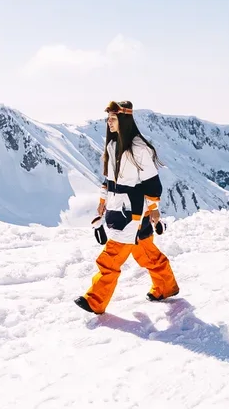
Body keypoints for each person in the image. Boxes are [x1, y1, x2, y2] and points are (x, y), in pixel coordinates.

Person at [74, 100, 180, 314]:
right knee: (145, 252)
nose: (109, 123)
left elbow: (151, 182)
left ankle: (95, 300)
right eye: (108, 119)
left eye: (113, 119)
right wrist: (102, 202)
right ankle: (165, 286)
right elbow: (108, 181)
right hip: (117, 208)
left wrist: (154, 209)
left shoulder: (139, 148)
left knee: (110, 257)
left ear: (124, 120)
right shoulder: (113, 146)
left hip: (133, 211)